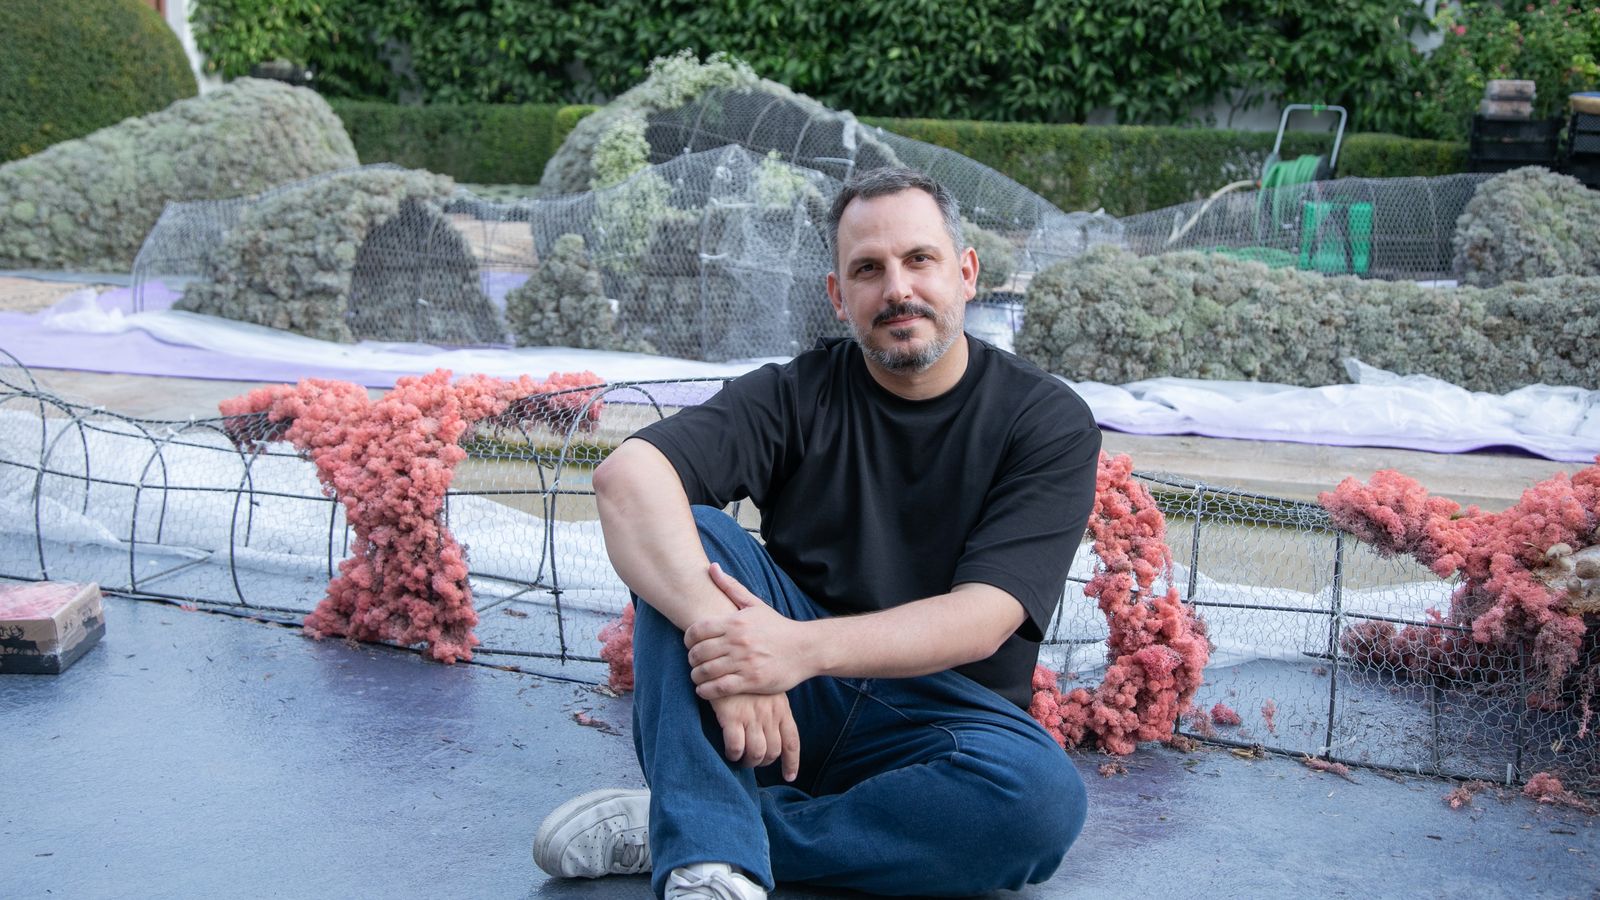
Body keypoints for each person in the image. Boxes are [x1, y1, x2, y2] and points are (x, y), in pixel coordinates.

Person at [533, 167, 1101, 899]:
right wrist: (738, 643)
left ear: (966, 274)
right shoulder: (798, 393)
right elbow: (626, 478)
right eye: (868, 269)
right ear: (839, 296)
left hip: (940, 717)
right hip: (780, 713)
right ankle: (711, 861)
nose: (897, 288)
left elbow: (983, 617)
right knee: (695, 534)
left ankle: (703, 823)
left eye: (919, 260)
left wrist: (793, 650)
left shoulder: (1045, 422)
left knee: (1040, 806)